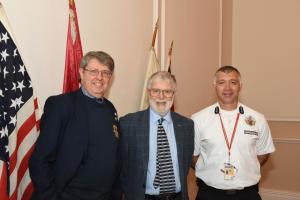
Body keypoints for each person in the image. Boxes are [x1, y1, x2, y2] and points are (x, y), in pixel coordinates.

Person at [29, 51, 121, 200]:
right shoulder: (61, 105)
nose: (100, 77)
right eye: (94, 71)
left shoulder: (111, 109)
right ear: (81, 73)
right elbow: (40, 160)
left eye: (106, 73)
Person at [191, 65, 275, 200]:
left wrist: (246, 166)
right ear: (215, 86)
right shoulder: (198, 119)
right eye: (221, 83)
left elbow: (263, 153)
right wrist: (209, 169)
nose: (227, 88)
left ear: (240, 86)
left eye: (233, 82)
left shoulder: (258, 119)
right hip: (209, 194)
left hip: (247, 195)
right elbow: (193, 156)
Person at [120, 71, 194, 200]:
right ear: (148, 93)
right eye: (156, 91)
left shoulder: (186, 125)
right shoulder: (128, 124)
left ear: (173, 95)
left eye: (167, 91)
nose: (161, 96)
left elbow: (186, 164)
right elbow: (122, 168)